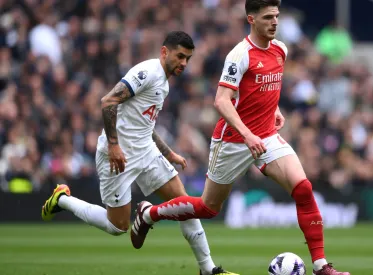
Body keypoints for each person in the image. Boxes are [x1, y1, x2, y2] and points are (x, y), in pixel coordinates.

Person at [131, 2, 350, 275]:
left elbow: (265, 87)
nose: (274, 22)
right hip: (233, 140)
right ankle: (149, 214)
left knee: (303, 188)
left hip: (266, 136)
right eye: (268, 17)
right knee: (209, 208)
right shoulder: (240, 55)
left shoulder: (281, 49)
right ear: (251, 19)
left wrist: (276, 110)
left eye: (277, 17)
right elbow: (222, 101)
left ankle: (321, 267)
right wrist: (247, 135)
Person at [41, 31, 238, 275]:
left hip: (146, 152)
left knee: (184, 203)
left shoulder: (164, 84)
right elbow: (108, 101)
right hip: (118, 154)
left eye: (188, 58)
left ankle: (208, 269)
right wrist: (114, 145)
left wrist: (169, 154)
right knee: (117, 227)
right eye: (180, 56)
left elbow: (146, 126)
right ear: (164, 52)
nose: (184, 63)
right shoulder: (147, 72)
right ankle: (62, 199)